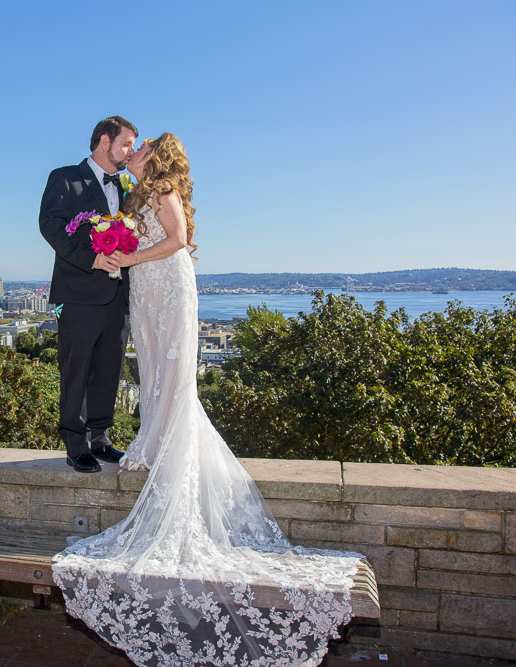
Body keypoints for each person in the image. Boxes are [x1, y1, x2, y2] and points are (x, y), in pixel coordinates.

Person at [52, 133, 365, 666]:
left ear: (160, 155)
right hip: (145, 287)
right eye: (133, 141)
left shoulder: (165, 187)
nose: (138, 147)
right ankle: (152, 440)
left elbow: (175, 241)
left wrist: (127, 257)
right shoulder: (132, 193)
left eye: (145, 144)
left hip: (167, 282)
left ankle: (171, 447)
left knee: (173, 373)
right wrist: (122, 255)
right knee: (151, 370)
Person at [38, 116, 137, 473]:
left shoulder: (125, 187)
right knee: (76, 371)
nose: (130, 151)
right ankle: (75, 443)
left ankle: (101, 439)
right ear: (104, 140)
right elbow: (49, 225)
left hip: (117, 296)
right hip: (79, 292)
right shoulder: (65, 178)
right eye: (126, 143)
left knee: (109, 369)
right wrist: (91, 259)